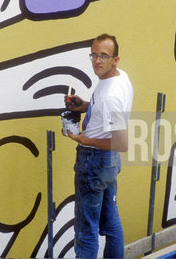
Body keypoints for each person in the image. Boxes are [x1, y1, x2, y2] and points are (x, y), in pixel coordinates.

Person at [63, 33, 133, 258]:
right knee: (110, 222)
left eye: (104, 56)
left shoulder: (111, 96)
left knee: (86, 230)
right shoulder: (118, 78)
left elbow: (121, 143)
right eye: (94, 54)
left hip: (94, 162)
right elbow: (102, 111)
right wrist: (83, 105)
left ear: (116, 59)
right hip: (108, 165)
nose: (97, 60)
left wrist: (84, 139)